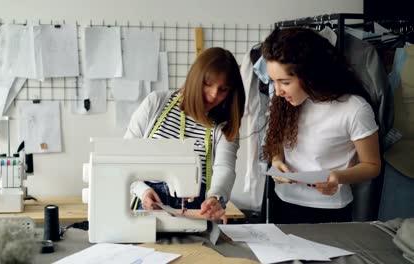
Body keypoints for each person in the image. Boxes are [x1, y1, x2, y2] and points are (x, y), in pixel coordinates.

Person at [261, 28, 381, 224]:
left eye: (284, 82)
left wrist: (337, 177)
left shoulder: (354, 109)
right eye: (274, 81)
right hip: (282, 201)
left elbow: (372, 166)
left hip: (329, 210)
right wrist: (276, 160)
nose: (278, 90)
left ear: (310, 74)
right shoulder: (286, 101)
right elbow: (277, 141)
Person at [124, 47, 245, 222]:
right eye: (208, 84)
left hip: (198, 208)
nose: (213, 95)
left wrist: (215, 197)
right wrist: (142, 191)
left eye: (223, 89)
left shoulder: (224, 124)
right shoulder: (156, 103)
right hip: (149, 201)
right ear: (195, 78)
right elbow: (125, 158)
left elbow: (224, 168)